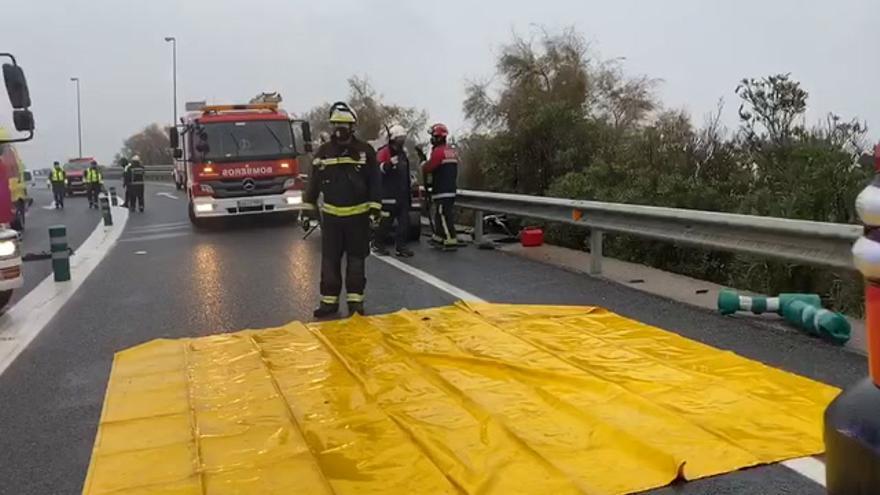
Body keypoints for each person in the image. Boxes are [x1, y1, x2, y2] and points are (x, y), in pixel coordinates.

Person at [303, 102, 381, 318]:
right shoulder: (324, 152)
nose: (340, 129)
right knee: (330, 262)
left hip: (358, 218)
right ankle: (329, 303)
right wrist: (308, 209)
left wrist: (375, 209)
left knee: (356, 262)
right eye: (336, 124)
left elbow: (375, 182)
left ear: (352, 126)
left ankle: (355, 304)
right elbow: (313, 183)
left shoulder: (365, 151)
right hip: (332, 219)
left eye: (344, 125)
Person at [373, 124, 414, 258]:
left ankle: (401, 247)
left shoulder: (403, 154)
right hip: (388, 196)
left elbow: (406, 174)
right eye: (399, 138)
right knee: (385, 223)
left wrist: (409, 195)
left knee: (404, 223)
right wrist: (389, 164)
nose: (401, 141)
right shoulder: (384, 152)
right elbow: (378, 170)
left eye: (403, 138)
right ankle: (378, 245)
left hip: (402, 196)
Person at [421, 123, 459, 250]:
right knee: (439, 213)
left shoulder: (438, 152)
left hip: (442, 189)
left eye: (433, 136)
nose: (431, 139)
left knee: (443, 214)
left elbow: (429, 167)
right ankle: (439, 236)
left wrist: (423, 163)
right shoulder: (450, 151)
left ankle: (450, 238)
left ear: (438, 137)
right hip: (450, 188)